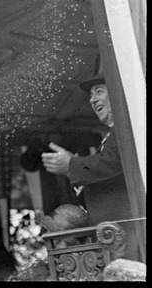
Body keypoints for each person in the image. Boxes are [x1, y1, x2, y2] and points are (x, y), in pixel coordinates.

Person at [41, 72, 130, 225]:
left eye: (99, 91)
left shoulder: (127, 126)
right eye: (91, 95)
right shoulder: (112, 134)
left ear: (116, 92)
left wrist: (72, 164)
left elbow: (114, 160)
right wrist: (72, 169)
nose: (93, 100)